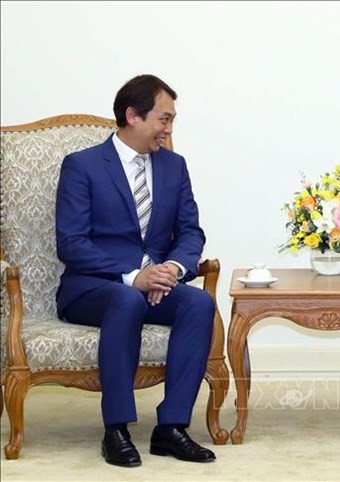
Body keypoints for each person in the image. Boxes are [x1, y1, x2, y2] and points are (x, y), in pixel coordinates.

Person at [55, 74, 216, 467]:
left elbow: (191, 231)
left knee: (197, 305)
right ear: (132, 115)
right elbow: (71, 243)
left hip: (154, 283)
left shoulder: (174, 167)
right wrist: (133, 275)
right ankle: (117, 429)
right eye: (164, 119)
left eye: (172, 120)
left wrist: (172, 270)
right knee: (127, 300)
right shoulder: (83, 166)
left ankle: (171, 429)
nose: (169, 129)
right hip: (93, 288)